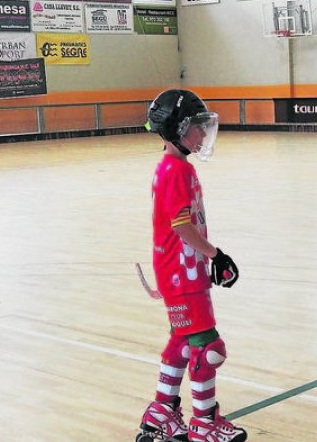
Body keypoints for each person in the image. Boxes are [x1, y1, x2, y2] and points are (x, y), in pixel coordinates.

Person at [138, 90, 245, 442]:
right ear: (176, 130)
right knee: (209, 348)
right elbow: (181, 226)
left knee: (183, 342)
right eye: (195, 128)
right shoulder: (175, 170)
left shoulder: (175, 166)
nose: (201, 135)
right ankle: (204, 421)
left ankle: (162, 411)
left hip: (178, 271)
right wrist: (217, 255)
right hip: (181, 273)